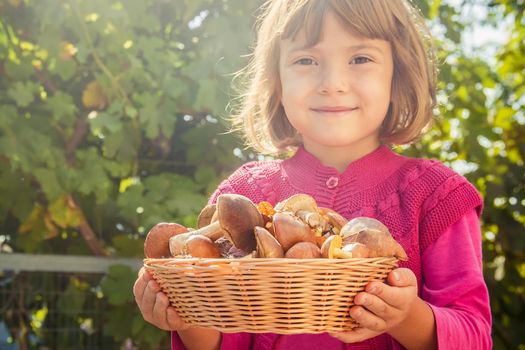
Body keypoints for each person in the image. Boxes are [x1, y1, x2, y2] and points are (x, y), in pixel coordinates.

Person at [133, 0, 493, 349]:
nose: (332, 82)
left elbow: (474, 336)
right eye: (306, 59)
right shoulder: (242, 194)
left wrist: (404, 316)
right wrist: (184, 315)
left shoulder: (436, 196)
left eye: (360, 58)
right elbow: (223, 335)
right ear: (277, 81)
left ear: (397, 75)